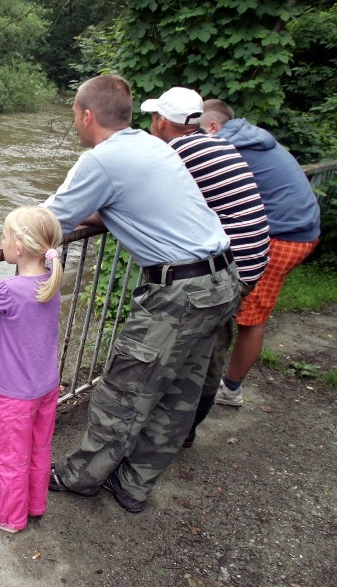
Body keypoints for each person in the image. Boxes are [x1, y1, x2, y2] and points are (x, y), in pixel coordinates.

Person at [42, 75, 239, 514]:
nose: (75, 120)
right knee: (178, 393)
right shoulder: (151, 146)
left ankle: (81, 478)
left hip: (183, 292)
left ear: (87, 116)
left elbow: (46, 223)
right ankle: (133, 485)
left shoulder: (103, 159)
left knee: (125, 389)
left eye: (75, 114)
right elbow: (122, 201)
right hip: (223, 279)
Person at [140, 87, 270, 447]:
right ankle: (185, 430)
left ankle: (171, 434)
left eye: (153, 118)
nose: (151, 124)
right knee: (211, 345)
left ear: (163, 121)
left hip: (226, 267)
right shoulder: (217, 144)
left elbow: (138, 200)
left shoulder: (177, 153)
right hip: (251, 259)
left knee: (192, 353)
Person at [200, 100, 321, 406]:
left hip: (284, 236)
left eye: (197, 130)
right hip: (298, 231)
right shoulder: (251, 138)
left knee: (251, 317)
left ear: (213, 127)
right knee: (245, 311)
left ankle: (229, 389)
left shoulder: (229, 148)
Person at [0, 205, 64, 533]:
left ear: (17, 248)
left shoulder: (7, 291)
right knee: (38, 447)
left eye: (4, 237)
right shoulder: (51, 281)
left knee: (10, 456)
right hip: (46, 386)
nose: (1, 243)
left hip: (16, 394)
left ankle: (8, 516)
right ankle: (34, 504)